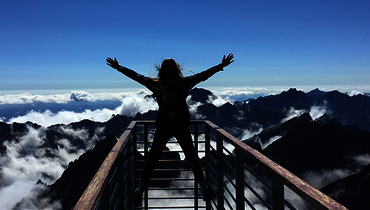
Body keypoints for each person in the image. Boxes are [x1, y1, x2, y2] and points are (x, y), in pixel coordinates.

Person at [106, 53, 234, 203]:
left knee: (152, 160)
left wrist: (119, 67)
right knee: (192, 159)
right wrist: (220, 66)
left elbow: (136, 76)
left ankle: (140, 191)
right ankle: (205, 188)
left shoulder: (156, 84)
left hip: (164, 126)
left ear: (161, 70)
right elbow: (203, 75)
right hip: (180, 125)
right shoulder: (184, 83)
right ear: (177, 69)